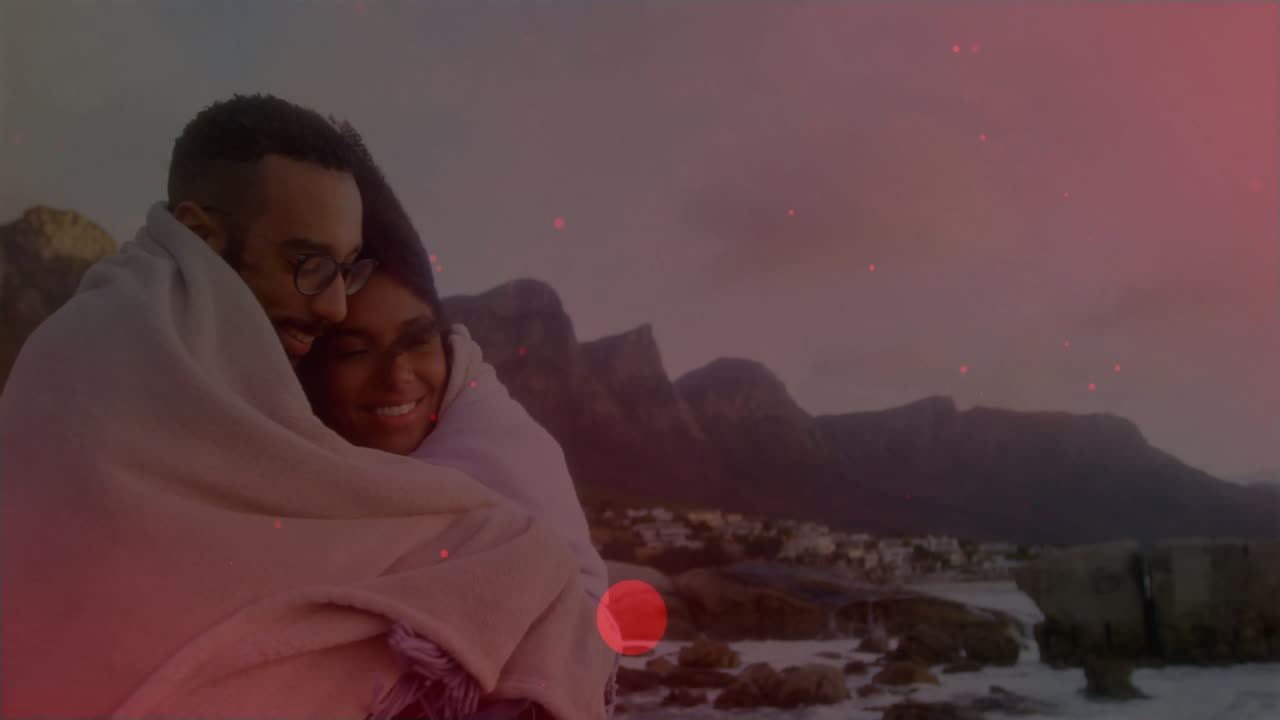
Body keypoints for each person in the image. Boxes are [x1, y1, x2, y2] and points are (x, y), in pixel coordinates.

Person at [0, 94, 617, 720]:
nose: (332, 308)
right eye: (308, 264)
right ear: (198, 234)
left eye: (343, 270)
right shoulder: (113, 361)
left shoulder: (187, 349)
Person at [297, 129, 610, 613]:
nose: (398, 376)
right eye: (354, 351)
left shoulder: (513, 461)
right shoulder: (284, 480)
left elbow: (581, 622)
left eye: (416, 341)